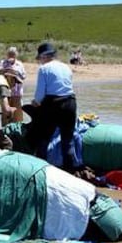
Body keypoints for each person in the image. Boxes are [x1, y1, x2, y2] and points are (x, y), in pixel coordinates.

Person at [30, 42, 78, 172]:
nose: (39, 62)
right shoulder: (66, 67)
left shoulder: (44, 69)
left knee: (43, 138)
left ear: (44, 56)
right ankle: (70, 172)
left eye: (39, 59)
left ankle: (41, 170)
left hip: (53, 104)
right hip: (70, 103)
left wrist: (35, 103)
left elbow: (40, 94)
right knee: (67, 141)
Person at [0, 46, 26, 122]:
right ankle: (5, 131)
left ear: (16, 55)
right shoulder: (3, 62)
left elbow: (23, 76)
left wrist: (15, 73)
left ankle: (18, 130)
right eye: (9, 54)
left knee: (18, 114)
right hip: (5, 93)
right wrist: (7, 70)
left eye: (13, 54)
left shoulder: (19, 64)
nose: (11, 55)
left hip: (17, 93)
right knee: (6, 114)